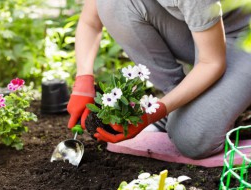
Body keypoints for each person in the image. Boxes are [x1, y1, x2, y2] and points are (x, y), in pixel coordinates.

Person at [66, 0, 251, 159]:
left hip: (244, 37)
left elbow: (212, 63)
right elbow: (90, 22)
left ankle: (200, 111)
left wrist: (152, 114)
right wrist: (83, 81)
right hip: (203, 33)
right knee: (112, 4)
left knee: (191, 140)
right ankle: (180, 106)